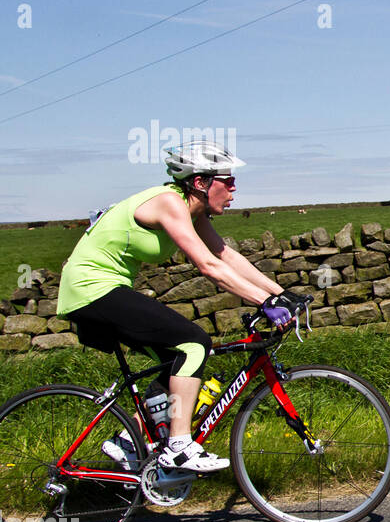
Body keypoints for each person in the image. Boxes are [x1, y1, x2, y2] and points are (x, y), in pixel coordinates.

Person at [57, 141, 301, 474]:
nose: (234, 188)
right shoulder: (171, 203)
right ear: (200, 183)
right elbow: (207, 266)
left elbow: (225, 255)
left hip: (101, 290)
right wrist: (263, 302)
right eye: (226, 180)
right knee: (194, 342)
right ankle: (180, 446)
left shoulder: (193, 210)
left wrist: (281, 294)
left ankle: (127, 443)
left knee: (175, 363)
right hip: (91, 289)